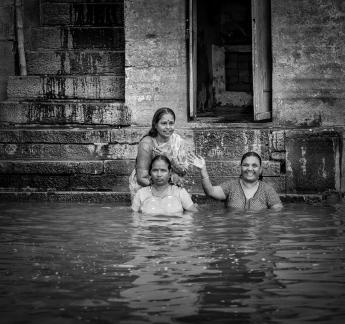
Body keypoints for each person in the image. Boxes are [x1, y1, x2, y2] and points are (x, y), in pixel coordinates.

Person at [129, 107, 189, 200]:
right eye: (164, 123)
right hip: (147, 188)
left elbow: (184, 171)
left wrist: (170, 159)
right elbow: (141, 179)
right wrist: (163, 193)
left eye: (171, 123)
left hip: (170, 187)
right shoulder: (147, 144)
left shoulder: (178, 141)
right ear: (155, 125)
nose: (168, 127)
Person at [190, 151, 283, 210]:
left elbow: (276, 215)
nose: (249, 169)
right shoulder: (231, 186)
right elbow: (210, 191)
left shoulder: (267, 190)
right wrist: (203, 170)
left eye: (254, 165)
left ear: (260, 170)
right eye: (246, 165)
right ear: (240, 168)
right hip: (234, 234)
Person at [131, 155, 197, 214]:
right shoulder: (141, 194)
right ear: (150, 172)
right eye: (155, 170)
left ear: (170, 173)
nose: (159, 175)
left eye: (163, 170)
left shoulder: (179, 192)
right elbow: (134, 219)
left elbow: (192, 215)